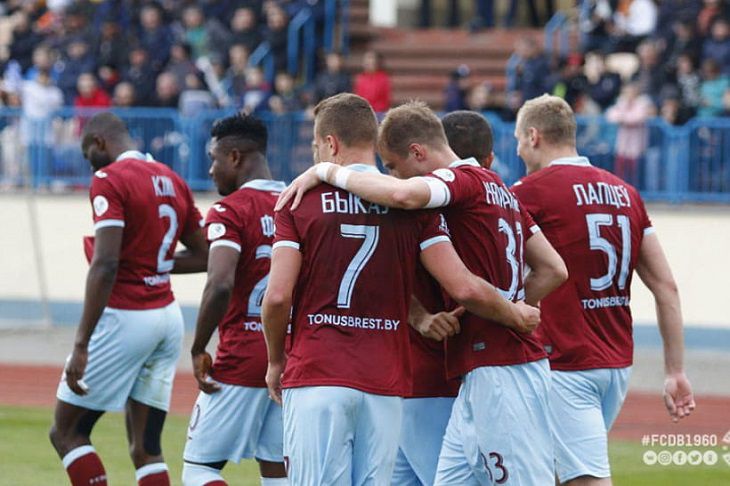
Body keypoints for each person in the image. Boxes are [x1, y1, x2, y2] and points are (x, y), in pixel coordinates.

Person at [276, 100, 568, 484]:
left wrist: (326, 170)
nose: (392, 177)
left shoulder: (457, 181)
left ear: (417, 153)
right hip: (474, 371)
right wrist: (508, 302)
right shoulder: (502, 190)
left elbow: (405, 199)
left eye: (394, 168)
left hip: (501, 367)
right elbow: (554, 269)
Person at [510, 94, 696, 486]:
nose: (518, 149)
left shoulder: (530, 192)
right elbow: (666, 285)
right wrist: (675, 370)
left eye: (518, 140)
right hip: (615, 361)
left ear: (533, 136)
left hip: (564, 360)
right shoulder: (626, 193)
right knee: (558, 471)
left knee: (584, 478)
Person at [48, 112, 208, 486]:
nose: (91, 166)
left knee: (66, 432)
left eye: (89, 155)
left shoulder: (110, 180)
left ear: (101, 142)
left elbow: (105, 264)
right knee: (146, 448)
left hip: (127, 315)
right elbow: (204, 255)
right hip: (167, 319)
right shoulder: (172, 179)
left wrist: (81, 343)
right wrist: (152, 261)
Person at [181, 114, 288, 486]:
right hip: (293, 358)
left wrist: (197, 347)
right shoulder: (298, 203)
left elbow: (220, 282)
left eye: (214, 158)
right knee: (277, 470)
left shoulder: (231, 210)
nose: (210, 170)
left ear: (235, 157)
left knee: (199, 468)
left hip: (243, 355)